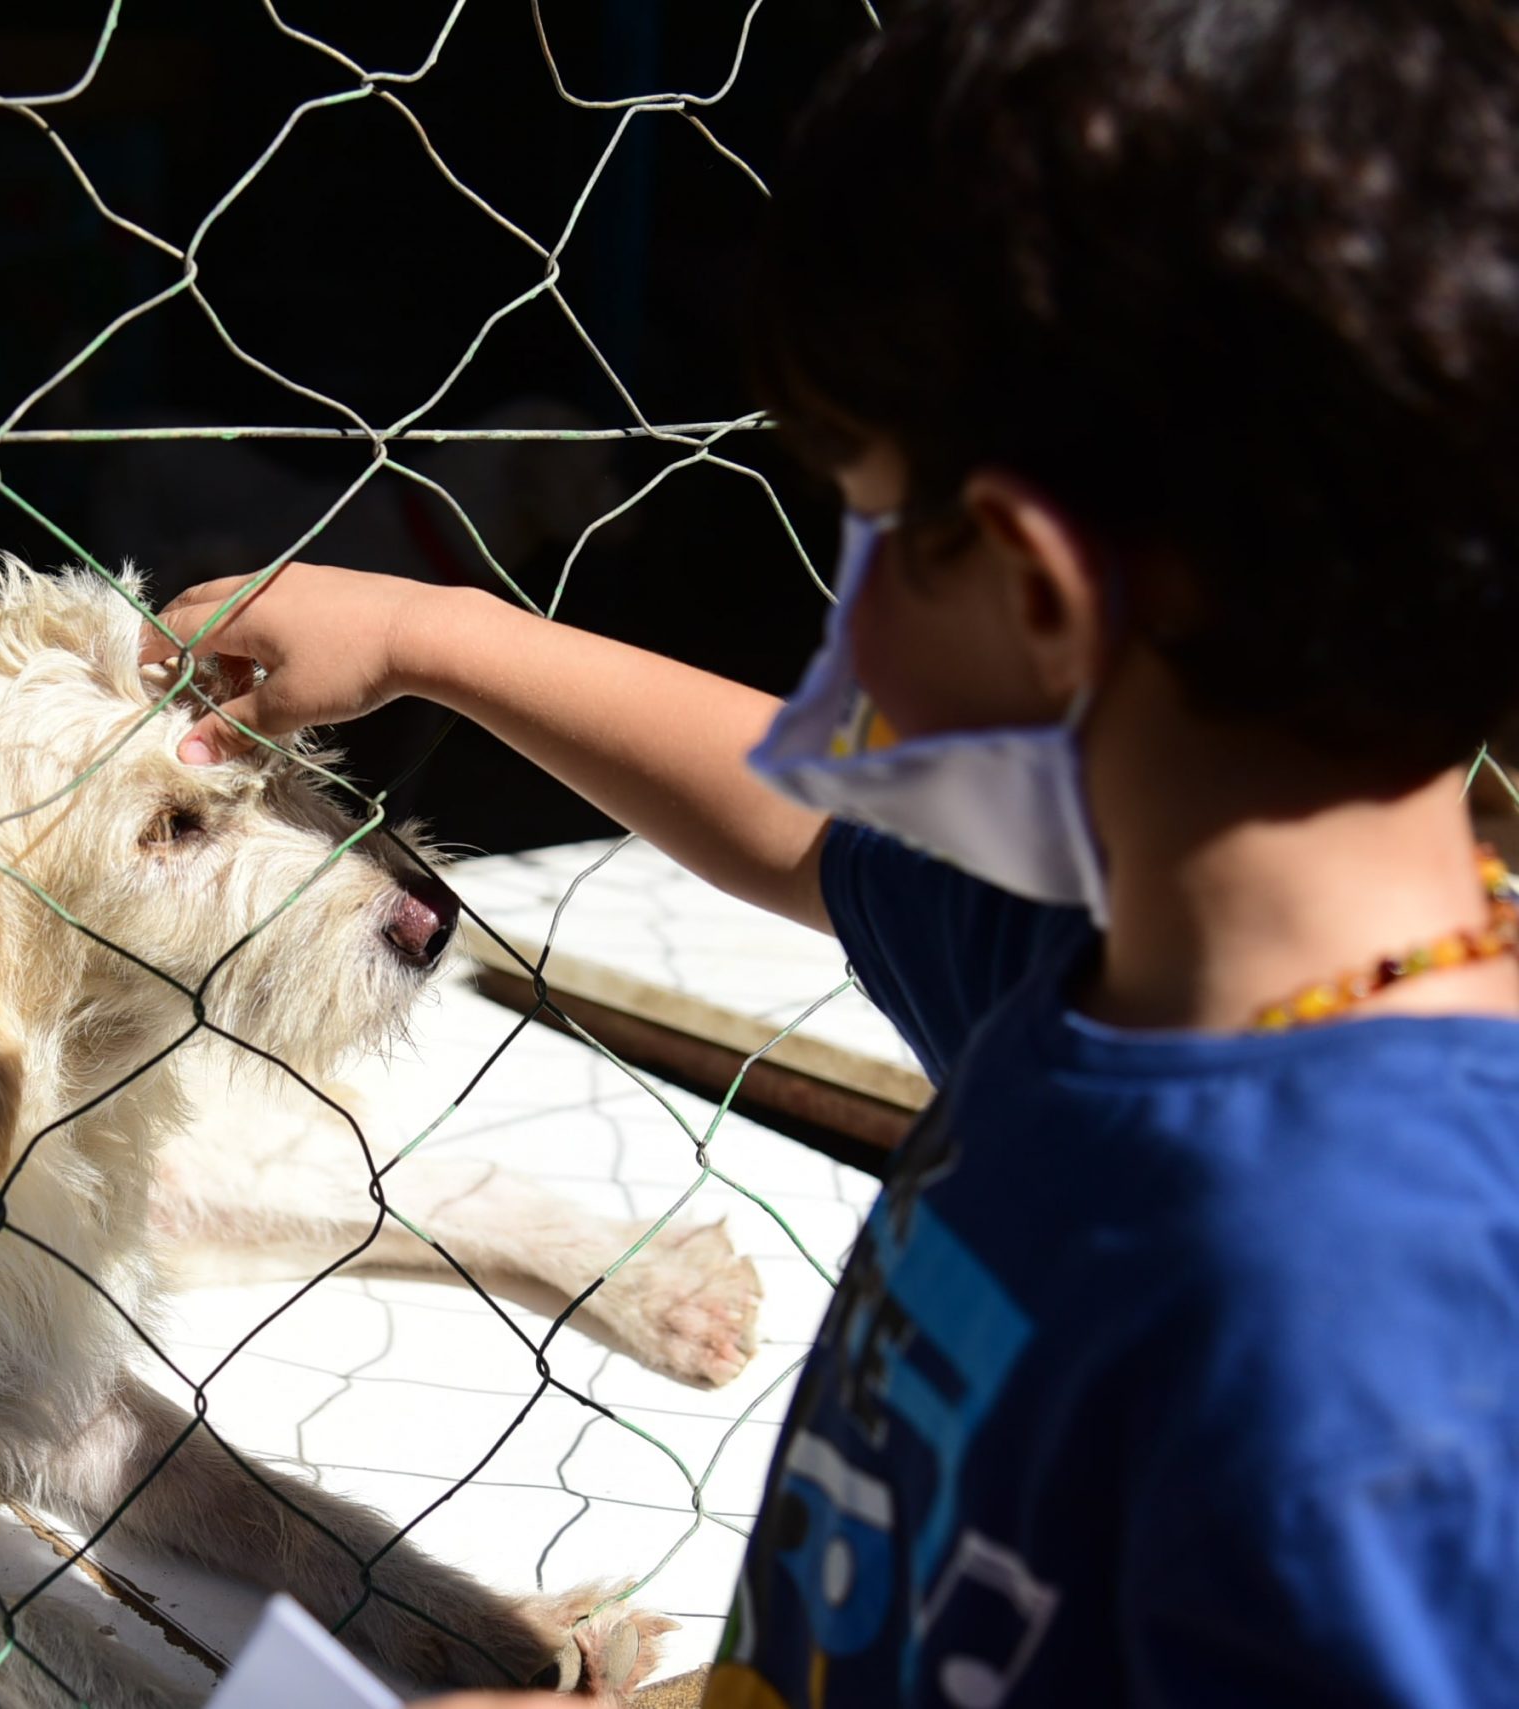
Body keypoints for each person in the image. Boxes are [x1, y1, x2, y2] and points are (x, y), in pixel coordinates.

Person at [138, 0, 1519, 1703]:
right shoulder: (1133, 969)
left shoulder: (1358, 1326)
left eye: (862, 516)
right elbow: (810, 832)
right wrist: (434, 630)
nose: (835, 599)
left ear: (1029, 585)